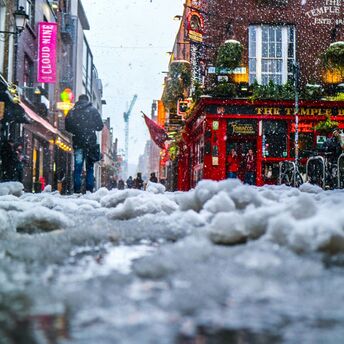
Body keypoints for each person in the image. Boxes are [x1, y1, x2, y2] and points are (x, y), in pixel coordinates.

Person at [65, 94, 103, 193]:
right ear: (87, 100)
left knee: (78, 167)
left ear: (79, 100)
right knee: (90, 168)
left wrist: (77, 130)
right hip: (90, 143)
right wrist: (90, 127)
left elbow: (67, 127)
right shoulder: (93, 110)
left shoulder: (72, 111)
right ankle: (89, 190)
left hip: (78, 142)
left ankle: (77, 190)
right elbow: (100, 126)